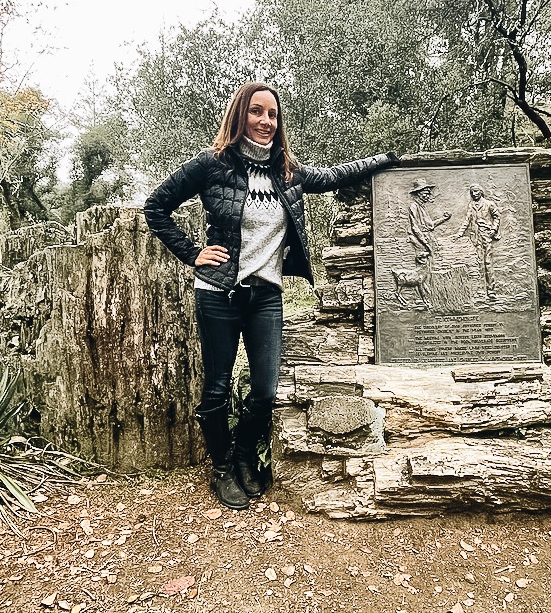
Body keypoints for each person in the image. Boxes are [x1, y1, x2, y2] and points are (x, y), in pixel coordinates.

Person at [144, 82, 397, 510]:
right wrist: (194, 254)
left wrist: (390, 160)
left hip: (266, 295)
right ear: (240, 115)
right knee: (217, 388)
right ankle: (222, 466)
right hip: (218, 294)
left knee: (264, 390)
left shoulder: (288, 173)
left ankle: (244, 456)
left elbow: (336, 175)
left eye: (273, 115)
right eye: (256, 112)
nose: (265, 121)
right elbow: (156, 207)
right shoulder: (211, 164)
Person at [454, 184, 500, 295]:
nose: (474, 194)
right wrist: (459, 233)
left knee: (488, 262)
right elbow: (467, 220)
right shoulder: (471, 205)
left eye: (476, 191)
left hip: (486, 236)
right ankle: (480, 289)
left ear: (481, 191)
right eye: (472, 192)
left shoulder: (489, 204)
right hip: (476, 237)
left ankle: (491, 290)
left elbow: (497, 217)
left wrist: (493, 230)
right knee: (479, 262)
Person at [407, 178, 450, 261]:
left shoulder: (423, 207)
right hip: (421, 241)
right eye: (425, 194)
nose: (427, 196)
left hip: (428, 238)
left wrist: (444, 219)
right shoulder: (414, 206)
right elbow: (415, 227)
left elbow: (430, 225)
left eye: (428, 194)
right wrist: (425, 244)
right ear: (419, 193)